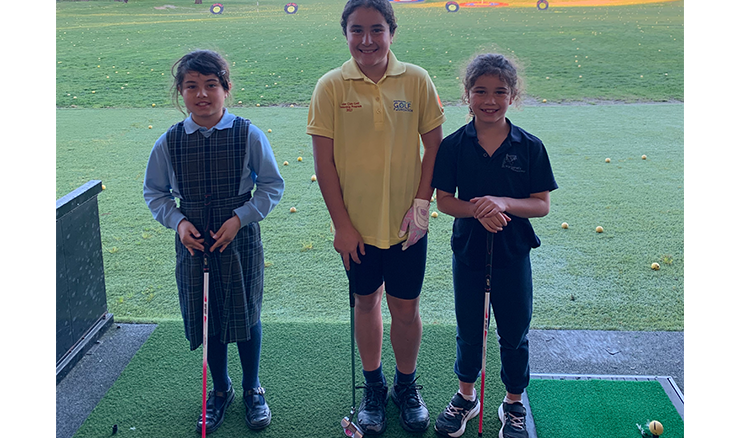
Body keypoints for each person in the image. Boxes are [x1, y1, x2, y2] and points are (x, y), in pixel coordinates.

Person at [306, 0, 446, 434]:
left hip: (408, 227)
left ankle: (406, 386)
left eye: (377, 29)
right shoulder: (330, 86)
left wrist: (421, 206)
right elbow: (324, 163)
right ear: (345, 33)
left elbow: (434, 147)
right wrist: (342, 226)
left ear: (392, 32)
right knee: (366, 302)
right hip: (357, 229)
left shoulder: (417, 80)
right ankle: (373, 386)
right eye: (357, 30)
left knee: (405, 308)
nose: (367, 40)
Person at [143, 49, 284, 434]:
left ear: (226, 88)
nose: (201, 94)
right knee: (208, 317)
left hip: (238, 238)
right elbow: (155, 193)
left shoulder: (248, 134)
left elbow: (271, 185)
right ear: (180, 92)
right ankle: (220, 389)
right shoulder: (169, 142)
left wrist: (240, 219)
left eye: (210, 85)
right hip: (194, 242)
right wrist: (178, 223)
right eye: (191, 86)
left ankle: (252, 387)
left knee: (246, 312)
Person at [431, 53, 558, 438]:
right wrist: (477, 210)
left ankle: (513, 402)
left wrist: (501, 203)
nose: (490, 100)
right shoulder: (453, 146)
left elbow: (541, 204)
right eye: (480, 91)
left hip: (513, 254)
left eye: (500, 92)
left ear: (513, 95)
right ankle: (466, 397)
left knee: (514, 331)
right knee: (470, 329)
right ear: (467, 95)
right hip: (469, 252)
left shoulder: (530, 146)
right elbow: (444, 201)